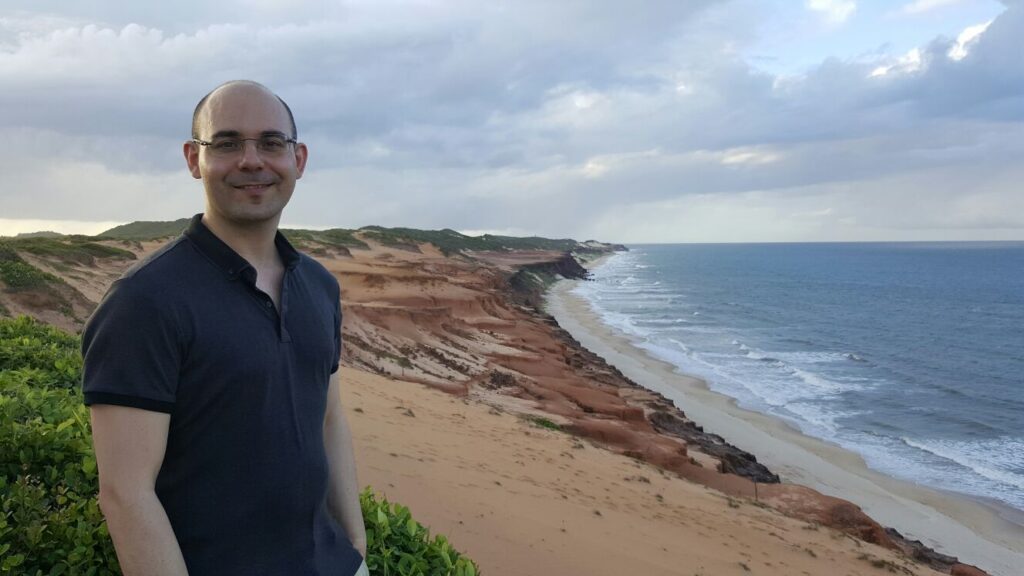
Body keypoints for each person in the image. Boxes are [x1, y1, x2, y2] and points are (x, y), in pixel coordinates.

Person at [82, 80, 368, 575]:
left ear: (298, 159)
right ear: (195, 160)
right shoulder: (144, 301)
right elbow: (126, 493)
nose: (252, 160)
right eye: (228, 142)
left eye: (271, 143)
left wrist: (356, 549)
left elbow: (329, 419)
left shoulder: (319, 286)